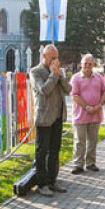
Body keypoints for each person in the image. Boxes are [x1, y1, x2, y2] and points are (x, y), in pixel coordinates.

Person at [30, 44, 72, 196]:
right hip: (44, 117)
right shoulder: (36, 72)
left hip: (58, 116)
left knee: (55, 150)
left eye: (56, 58)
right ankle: (42, 184)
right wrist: (53, 75)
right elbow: (44, 90)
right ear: (44, 57)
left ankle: (52, 181)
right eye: (52, 58)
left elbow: (69, 89)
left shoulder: (59, 72)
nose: (55, 61)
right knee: (42, 152)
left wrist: (59, 75)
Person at [70, 54, 105, 174]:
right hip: (80, 115)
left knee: (93, 140)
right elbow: (74, 95)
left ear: (93, 65)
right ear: (81, 64)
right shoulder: (75, 78)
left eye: (90, 64)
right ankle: (78, 164)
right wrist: (86, 107)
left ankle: (91, 163)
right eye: (85, 63)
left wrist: (99, 105)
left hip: (96, 114)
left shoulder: (99, 77)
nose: (87, 66)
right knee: (79, 141)